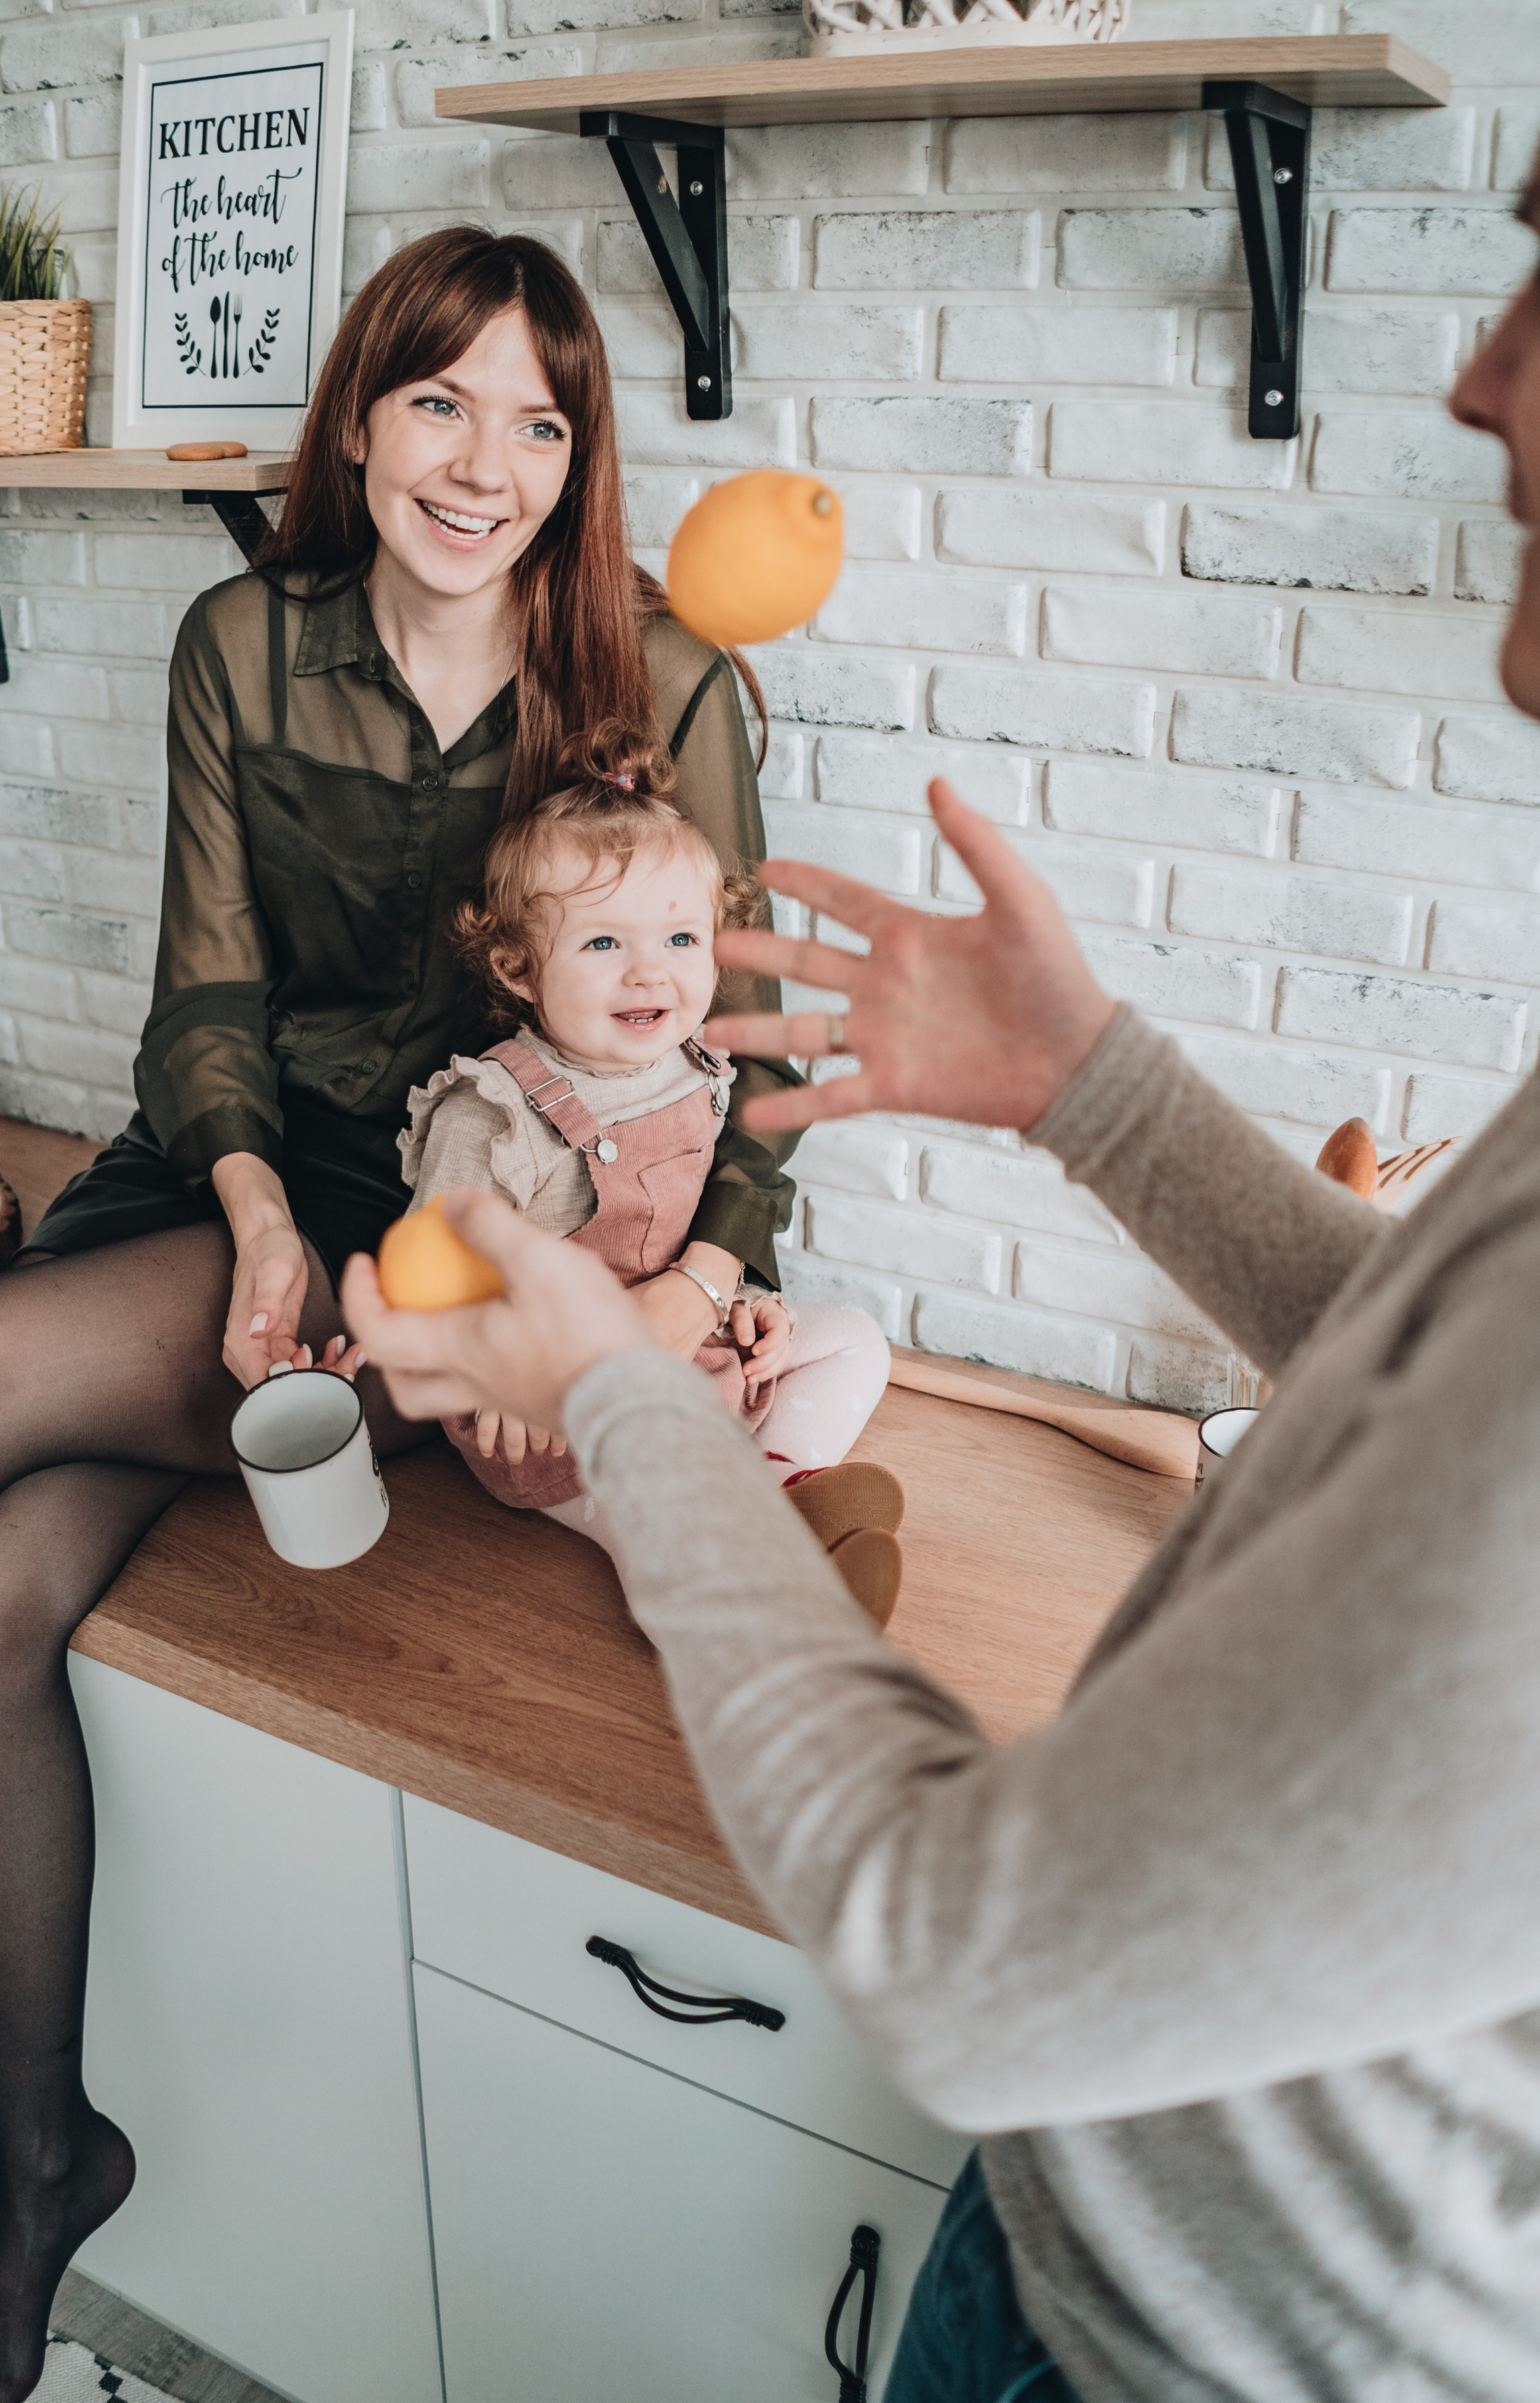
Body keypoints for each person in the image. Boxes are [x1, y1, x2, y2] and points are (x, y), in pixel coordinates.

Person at [339, 189, 1540, 2401]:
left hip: (1220, 2348)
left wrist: (642, 1389)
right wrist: (1097, 1092)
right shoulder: (470, 1032)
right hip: (1110, 2219)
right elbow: (1449, 1362)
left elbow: (953, 1958)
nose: (1477, 375)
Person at [0, 226, 801, 2403]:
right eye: (440, 399)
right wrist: (254, 1205)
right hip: (249, 1186)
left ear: (581, 451)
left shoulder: (672, 690)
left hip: (475, 1249)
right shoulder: (237, 644)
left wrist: (687, 1298)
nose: (486, 461)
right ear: (360, 415)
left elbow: (749, 1073)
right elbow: (207, 998)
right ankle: (47, 2168)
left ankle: (47, 2179)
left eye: (539, 417)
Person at [402, 729, 899, 1619]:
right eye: (601, 944)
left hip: (675, 1342)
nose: (649, 971)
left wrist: (745, 1300)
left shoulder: (696, 1064)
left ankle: (787, 1493)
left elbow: (678, 1228)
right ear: (519, 967)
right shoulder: (496, 1109)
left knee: (855, 1338)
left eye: (679, 937)